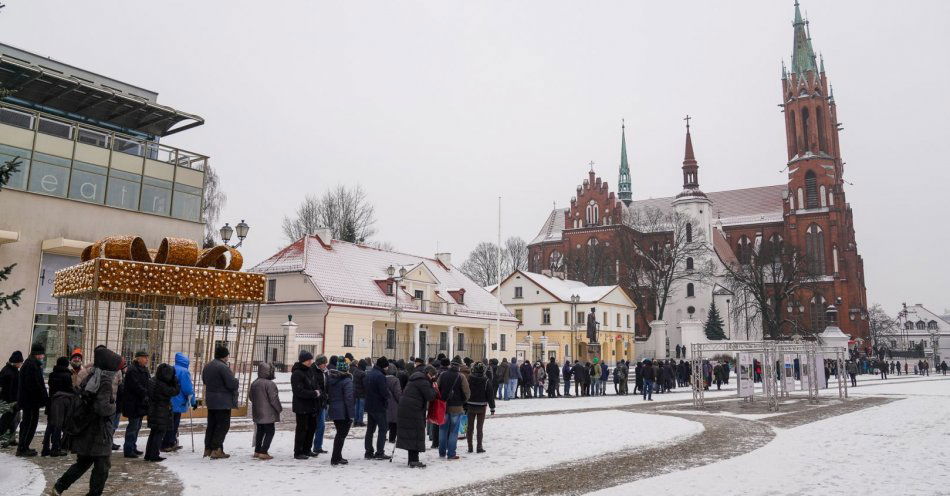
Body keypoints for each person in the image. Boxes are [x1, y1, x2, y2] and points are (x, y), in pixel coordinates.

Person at [51, 346, 121, 496]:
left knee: (83, 463)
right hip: (99, 432)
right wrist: (113, 407)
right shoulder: (105, 381)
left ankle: (59, 487)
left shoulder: (92, 376)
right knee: (102, 466)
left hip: (86, 429)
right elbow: (102, 408)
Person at [397, 365, 437, 468]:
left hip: (407, 408)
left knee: (411, 433)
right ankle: (414, 460)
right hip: (413, 410)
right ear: (429, 373)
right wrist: (433, 386)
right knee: (415, 433)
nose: (433, 377)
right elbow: (430, 396)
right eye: (432, 375)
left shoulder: (416, 378)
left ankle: (412, 459)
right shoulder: (423, 381)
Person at [202, 346, 239, 459]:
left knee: (212, 425)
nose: (228, 357)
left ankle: (208, 448)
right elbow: (231, 384)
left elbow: (204, 380)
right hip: (222, 401)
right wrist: (236, 380)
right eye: (227, 355)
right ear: (224, 356)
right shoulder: (223, 367)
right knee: (222, 426)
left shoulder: (208, 366)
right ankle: (216, 449)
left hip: (211, 401)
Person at [16, 343, 48, 457]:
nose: (43, 356)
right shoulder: (31, 365)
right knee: (29, 424)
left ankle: (24, 447)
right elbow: (33, 385)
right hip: (30, 402)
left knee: (29, 423)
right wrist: (42, 398)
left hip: (30, 401)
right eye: (41, 354)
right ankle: (22, 448)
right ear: (37, 354)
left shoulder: (32, 364)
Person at [144, 363, 179, 462]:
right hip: (161, 411)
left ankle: (148, 454)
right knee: (159, 433)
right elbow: (175, 391)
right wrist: (175, 381)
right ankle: (154, 455)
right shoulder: (162, 385)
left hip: (154, 410)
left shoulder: (153, 381)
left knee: (153, 433)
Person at [291, 350, 322, 460]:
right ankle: (298, 451)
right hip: (302, 407)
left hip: (312, 406)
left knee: (311, 428)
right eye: (308, 360)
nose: (310, 361)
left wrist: (318, 390)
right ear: (303, 360)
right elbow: (298, 391)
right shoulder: (297, 373)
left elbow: (316, 384)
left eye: (311, 359)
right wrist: (314, 393)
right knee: (302, 429)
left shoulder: (310, 371)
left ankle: (307, 449)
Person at [162, 352, 195, 452]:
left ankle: (167, 442)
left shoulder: (171, 368)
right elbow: (188, 389)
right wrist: (193, 401)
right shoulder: (184, 371)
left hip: (168, 399)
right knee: (174, 423)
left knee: (168, 423)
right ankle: (169, 443)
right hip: (178, 400)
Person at [437, 358, 470, 459]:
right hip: (456, 407)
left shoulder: (442, 375)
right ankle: (451, 454)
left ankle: (442, 452)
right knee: (453, 431)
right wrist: (463, 401)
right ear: (459, 366)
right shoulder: (461, 377)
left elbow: (437, 389)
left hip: (444, 406)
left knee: (442, 430)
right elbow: (467, 392)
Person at [250, 362, 282, 460]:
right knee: (270, 431)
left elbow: (251, 397)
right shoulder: (270, 384)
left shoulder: (254, 383)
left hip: (257, 412)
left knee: (260, 431)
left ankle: (257, 450)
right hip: (268, 413)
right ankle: (264, 452)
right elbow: (274, 399)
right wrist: (279, 409)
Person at [121, 351, 150, 459]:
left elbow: (147, 383)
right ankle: (128, 449)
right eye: (144, 357)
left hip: (141, 403)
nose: (146, 359)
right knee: (133, 427)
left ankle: (133, 446)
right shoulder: (132, 370)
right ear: (138, 358)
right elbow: (135, 385)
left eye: (147, 357)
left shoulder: (144, 369)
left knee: (137, 426)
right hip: (133, 403)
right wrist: (145, 393)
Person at [42, 356, 73, 457]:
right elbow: (68, 389)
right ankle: (56, 448)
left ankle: (45, 448)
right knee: (58, 425)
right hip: (61, 403)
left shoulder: (52, 374)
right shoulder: (67, 375)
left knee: (50, 425)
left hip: (51, 401)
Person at [326, 356, 355, 466]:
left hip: (334, 409)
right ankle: (335, 458)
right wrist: (351, 414)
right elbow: (349, 398)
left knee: (340, 434)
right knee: (341, 435)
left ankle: (338, 456)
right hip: (343, 412)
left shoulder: (331, 379)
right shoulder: (347, 381)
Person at [364, 356, 391, 460]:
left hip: (369, 405)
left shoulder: (369, 373)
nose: (387, 368)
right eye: (387, 366)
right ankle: (380, 452)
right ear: (383, 366)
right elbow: (384, 391)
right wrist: (388, 395)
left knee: (370, 430)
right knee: (383, 429)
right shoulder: (380, 376)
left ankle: (368, 452)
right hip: (379, 406)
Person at [465, 362, 495, 454]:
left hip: (470, 405)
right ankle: (479, 447)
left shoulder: (469, 379)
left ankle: (470, 447)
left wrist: (464, 404)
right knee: (479, 428)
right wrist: (492, 407)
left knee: (470, 427)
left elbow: (465, 391)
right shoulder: (486, 380)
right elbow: (490, 395)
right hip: (481, 406)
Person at [0, 351, 23, 447]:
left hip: (10, 401)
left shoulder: (7, 370)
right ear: (16, 362)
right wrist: (13, 402)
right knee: (7, 421)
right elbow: (9, 390)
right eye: (20, 362)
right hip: (10, 402)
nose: (21, 364)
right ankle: (4, 439)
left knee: (14, 420)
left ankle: (10, 438)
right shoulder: (10, 373)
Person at [311, 355, 329, 456]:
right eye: (323, 363)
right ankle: (314, 446)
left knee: (321, 425)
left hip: (322, 402)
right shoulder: (313, 371)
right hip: (316, 402)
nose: (325, 365)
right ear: (319, 363)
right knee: (317, 425)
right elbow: (316, 386)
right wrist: (322, 394)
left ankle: (318, 446)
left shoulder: (324, 371)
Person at [385, 364, 402, 444]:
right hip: (394, 403)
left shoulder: (383, 378)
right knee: (394, 422)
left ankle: (383, 436)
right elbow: (398, 393)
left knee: (385, 421)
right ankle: (392, 438)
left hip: (385, 402)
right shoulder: (395, 380)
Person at [351, 359, 367, 426]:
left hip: (355, 392)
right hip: (362, 393)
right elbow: (365, 384)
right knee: (361, 408)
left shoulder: (355, 371)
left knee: (356, 407)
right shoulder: (363, 373)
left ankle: (355, 421)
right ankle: (360, 421)